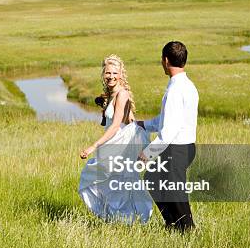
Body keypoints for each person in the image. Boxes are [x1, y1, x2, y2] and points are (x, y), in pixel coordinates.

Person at [78, 54, 153, 224]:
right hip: (115, 144)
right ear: (103, 75)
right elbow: (129, 119)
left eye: (114, 73)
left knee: (111, 180)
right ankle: (118, 220)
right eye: (107, 73)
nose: (111, 76)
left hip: (120, 144)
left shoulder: (122, 94)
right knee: (112, 182)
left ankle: (135, 219)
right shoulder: (111, 94)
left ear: (121, 75)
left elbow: (115, 126)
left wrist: (93, 146)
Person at [138, 41, 199, 232]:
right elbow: (166, 120)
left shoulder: (174, 90)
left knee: (175, 190)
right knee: (153, 179)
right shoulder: (188, 85)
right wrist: (144, 124)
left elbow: (169, 129)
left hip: (176, 147)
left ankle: (187, 229)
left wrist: (149, 152)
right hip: (184, 146)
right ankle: (173, 224)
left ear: (165, 60)